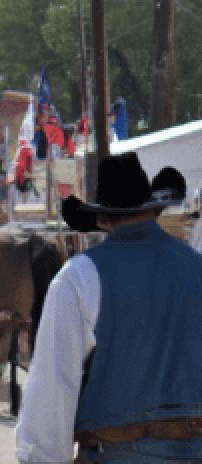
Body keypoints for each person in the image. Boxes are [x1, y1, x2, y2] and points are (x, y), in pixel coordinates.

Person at [15, 151, 202, 463]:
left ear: (102, 219)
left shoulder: (80, 276)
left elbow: (54, 383)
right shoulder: (197, 267)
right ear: (153, 211)